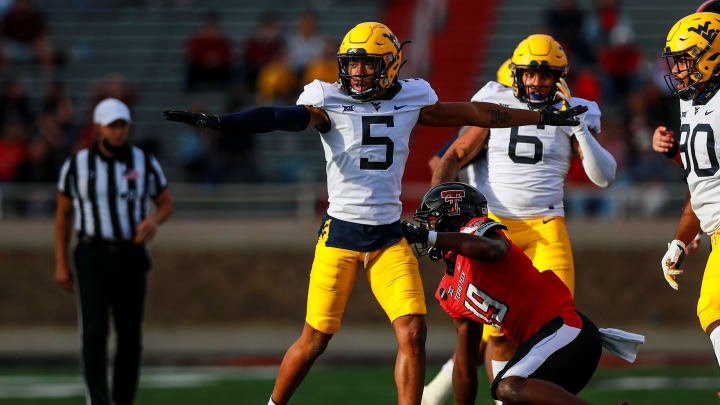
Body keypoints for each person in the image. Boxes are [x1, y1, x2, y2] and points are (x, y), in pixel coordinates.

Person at [163, 22, 587, 405]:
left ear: (389, 66)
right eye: (353, 65)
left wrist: (539, 116)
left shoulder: (412, 97)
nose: (358, 74)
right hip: (340, 236)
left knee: (414, 332)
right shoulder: (325, 97)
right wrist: (224, 122)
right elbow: (280, 116)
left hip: (388, 236)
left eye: (368, 66)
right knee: (314, 340)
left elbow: (477, 113)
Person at [422, 34, 617, 405]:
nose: (537, 82)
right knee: (497, 334)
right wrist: (437, 201)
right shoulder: (495, 99)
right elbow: (454, 154)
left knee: (556, 329)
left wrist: (576, 125)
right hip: (495, 228)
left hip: (546, 228)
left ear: (560, 76)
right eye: (530, 73)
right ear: (516, 73)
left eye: (546, 75)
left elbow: (604, 177)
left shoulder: (577, 107)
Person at [402, 182, 641, 405]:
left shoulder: (480, 232)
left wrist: (430, 237)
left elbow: (492, 250)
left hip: (567, 331)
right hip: (550, 348)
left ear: (452, 219)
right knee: (511, 396)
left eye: (432, 222)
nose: (427, 228)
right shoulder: (448, 290)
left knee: (507, 387)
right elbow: (465, 369)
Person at [55, 98, 173, 405]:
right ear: (98, 128)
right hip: (92, 253)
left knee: (130, 336)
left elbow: (165, 202)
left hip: (131, 255)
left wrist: (153, 221)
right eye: (113, 126)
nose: (119, 132)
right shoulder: (77, 164)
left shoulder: (143, 161)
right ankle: (97, 400)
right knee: (93, 333)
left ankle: (123, 401)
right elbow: (63, 214)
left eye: (123, 125)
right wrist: (61, 262)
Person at [656, 11, 720, 370]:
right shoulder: (689, 100)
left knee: (712, 305)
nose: (678, 69)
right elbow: (701, 181)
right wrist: (681, 240)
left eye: (684, 60)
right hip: (714, 232)